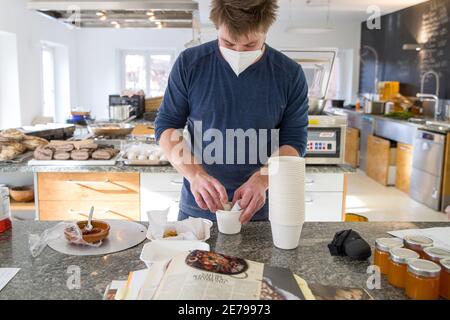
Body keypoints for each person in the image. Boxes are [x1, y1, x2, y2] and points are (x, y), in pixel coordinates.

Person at [155, 0, 308, 224]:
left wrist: (263, 179)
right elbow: (167, 126)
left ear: (265, 31)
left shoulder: (289, 74)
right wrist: (194, 174)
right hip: (198, 212)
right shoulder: (190, 64)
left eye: (249, 45)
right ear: (217, 27)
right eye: (227, 42)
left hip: (259, 210)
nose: (237, 51)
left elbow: (294, 142)